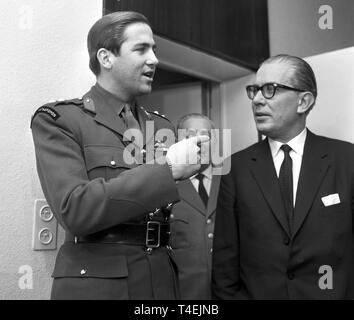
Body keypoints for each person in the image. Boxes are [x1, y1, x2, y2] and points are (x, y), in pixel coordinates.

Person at [31, 11, 208, 300]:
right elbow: (75, 210)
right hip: (100, 287)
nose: (154, 59)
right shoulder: (60, 120)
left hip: (162, 282)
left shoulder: (160, 125)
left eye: (154, 49)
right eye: (141, 49)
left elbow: (182, 224)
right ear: (106, 58)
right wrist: (168, 168)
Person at [212, 54, 354, 299]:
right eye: (254, 90)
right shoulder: (236, 168)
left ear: (303, 101)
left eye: (270, 90)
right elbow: (225, 264)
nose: (257, 100)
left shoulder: (346, 159)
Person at [169, 113, 221, 300]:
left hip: (228, 291)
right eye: (189, 135)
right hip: (184, 294)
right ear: (177, 142)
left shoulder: (232, 180)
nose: (198, 141)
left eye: (205, 135)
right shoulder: (166, 185)